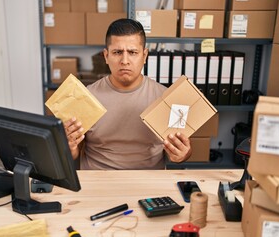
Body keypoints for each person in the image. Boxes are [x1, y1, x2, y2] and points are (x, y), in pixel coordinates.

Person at [64, 18, 192, 170]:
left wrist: (183, 154)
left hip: (148, 185)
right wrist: (69, 147)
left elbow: (181, 151)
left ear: (144, 56)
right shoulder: (85, 97)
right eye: (117, 52)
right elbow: (73, 153)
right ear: (106, 56)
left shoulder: (166, 98)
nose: (125, 61)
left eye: (132, 52)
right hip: (99, 184)